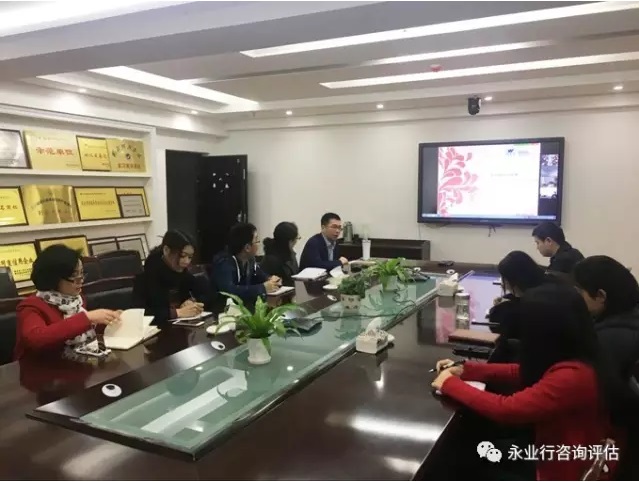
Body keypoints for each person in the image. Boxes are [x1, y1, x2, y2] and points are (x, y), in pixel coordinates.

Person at [432, 284, 615, 480]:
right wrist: (467, 370)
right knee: (472, 448)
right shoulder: (578, 355)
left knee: (461, 464)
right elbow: (524, 372)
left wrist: (450, 384)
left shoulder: (572, 377)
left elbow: (507, 409)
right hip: (551, 452)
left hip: (557, 471)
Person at [15, 244, 122, 359]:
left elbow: (83, 330)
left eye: (82, 273)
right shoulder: (31, 306)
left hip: (75, 362)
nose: (81, 280)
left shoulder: (75, 300)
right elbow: (37, 339)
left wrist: (109, 320)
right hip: (40, 367)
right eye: (74, 275)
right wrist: (87, 318)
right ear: (53, 278)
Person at [573, 256, 639, 425]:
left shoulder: (606, 340)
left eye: (579, 292)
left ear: (601, 295)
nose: (576, 298)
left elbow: (605, 398)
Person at [132, 230, 205, 326]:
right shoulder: (147, 276)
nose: (186, 261)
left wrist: (191, 300)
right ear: (166, 250)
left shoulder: (183, 272)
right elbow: (139, 314)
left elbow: (205, 292)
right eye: (182, 256)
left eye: (190, 257)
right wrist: (177, 313)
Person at [489, 251, 551, 363]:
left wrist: (500, 306)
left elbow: (497, 327)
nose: (503, 283)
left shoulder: (514, 311)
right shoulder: (548, 287)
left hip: (526, 362)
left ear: (514, 280)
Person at [211, 222, 281, 307]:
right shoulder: (224, 262)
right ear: (247, 247)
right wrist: (262, 288)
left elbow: (260, 276)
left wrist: (271, 280)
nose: (259, 244)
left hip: (244, 306)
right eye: (257, 241)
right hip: (224, 310)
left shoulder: (250, 260)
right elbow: (229, 291)